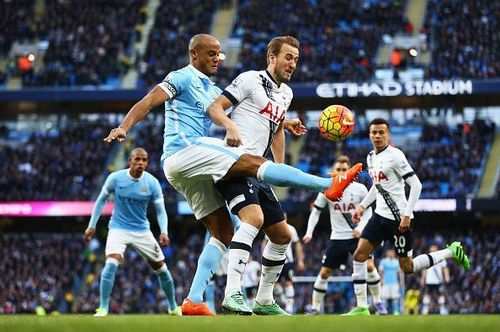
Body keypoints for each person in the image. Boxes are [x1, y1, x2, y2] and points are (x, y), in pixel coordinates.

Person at [104, 34, 361, 315]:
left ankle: (193, 299)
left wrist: (283, 123)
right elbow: (149, 101)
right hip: (184, 151)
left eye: (219, 54)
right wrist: (124, 127)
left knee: (224, 231)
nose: (218, 59)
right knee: (250, 165)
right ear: (194, 54)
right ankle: (327, 184)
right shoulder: (180, 77)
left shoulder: (211, 87)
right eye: (212, 54)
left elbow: (254, 112)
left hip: (191, 168)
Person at [207, 36, 311, 316]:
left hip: (258, 170)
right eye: (288, 57)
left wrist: (280, 166)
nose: (292, 64)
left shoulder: (286, 94)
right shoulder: (249, 80)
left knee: (282, 235)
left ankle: (264, 300)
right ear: (272, 58)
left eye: (296, 59)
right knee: (254, 218)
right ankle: (232, 295)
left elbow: (275, 127)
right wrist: (229, 126)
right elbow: (215, 107)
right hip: (234, 164)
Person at [342, 117, 470, 316]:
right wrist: (362, 206)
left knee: (408, 267)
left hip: (398, 219)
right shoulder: (370, 157)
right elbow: (378, 187)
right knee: (359, 255)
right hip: (379, 217)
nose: (377, 136)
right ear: (369, 134)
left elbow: (417, 185)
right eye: (373, 132)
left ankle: (451, 252)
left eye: (381, 132)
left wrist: (407, 215)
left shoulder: (396, 156)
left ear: (388, 134)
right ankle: (362, 307)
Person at [84, 148, 180, 317]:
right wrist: (92, 225)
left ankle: (173, 307)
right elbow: (100, 201)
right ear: (130, 161)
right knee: (111, 264)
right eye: (137, 159)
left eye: (144, 160)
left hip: (142, 230)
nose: (140, 163)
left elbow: (160, 210)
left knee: (162, 270)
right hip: (118, 228)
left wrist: (164, 231)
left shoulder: (152, 183)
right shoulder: (115, 178)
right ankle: (103, 307)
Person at [303, 156, 386, 315]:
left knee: (369, 266)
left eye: (344, 170)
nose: (341, 172)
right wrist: (309, 232)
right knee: (324, 272)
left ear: (349, 171)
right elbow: (316, 212)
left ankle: (378, 303)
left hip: (358, 236)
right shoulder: (327, 188)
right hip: (337, 237)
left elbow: (368, 210)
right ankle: (314, 308)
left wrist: (361, 228)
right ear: (334, 171)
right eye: (338, 169)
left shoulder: (360, 188)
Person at [421, 244, 450, 315]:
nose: (433, 249)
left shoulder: (441, 257)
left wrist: (447, 276)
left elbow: (445, 268)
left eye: (434, 248)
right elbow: (424, 269)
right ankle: (425, 310)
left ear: (437, 249)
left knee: (440, 294)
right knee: (427, 294)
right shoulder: (426, 258)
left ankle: (442, 310)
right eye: (432, 248)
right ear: (429, 249)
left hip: (438, 280)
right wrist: (422, 278)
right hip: (429, 280)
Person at [379, 249, 403, 315]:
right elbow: (381, 272)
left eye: (392, 252)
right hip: (385, 282)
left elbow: (399, 273)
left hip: (394, 283)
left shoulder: (396, 262)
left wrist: (401, 282)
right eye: (390, 252)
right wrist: (381, 281)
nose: (391, 253)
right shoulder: (383, 261)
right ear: (387, 253)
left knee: (395, 298)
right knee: (384, 298)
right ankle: (383, 311)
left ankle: (396, 311)